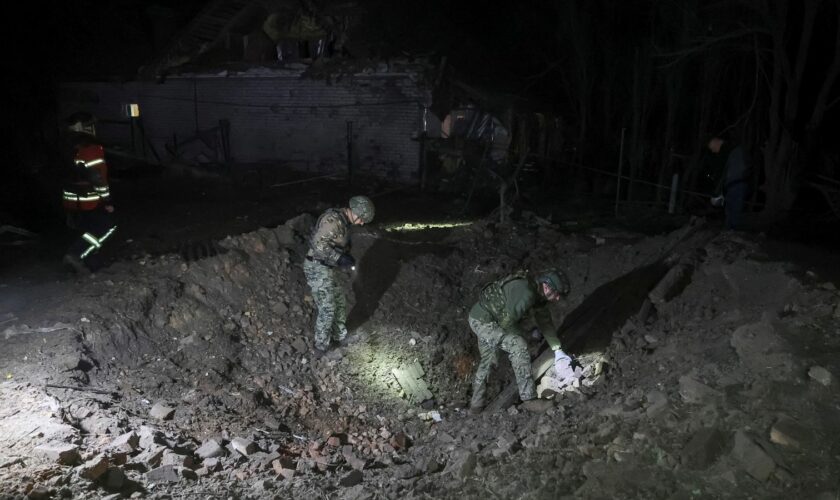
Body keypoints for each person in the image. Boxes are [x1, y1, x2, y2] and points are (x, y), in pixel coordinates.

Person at [468, 268, 575, 413]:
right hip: (483, 320)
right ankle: (529, 399)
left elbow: (546, 324)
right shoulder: (526, 293)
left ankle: (476, 406)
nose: (557, 298)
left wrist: (557, 349)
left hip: (481, 317)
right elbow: (507, 324)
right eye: (556, 293)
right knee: (518, 345)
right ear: (546, 286)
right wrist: (527, 339)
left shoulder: (538, 297)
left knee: (490, 360)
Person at [303, 195, 375, 354]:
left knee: (339, 302)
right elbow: (317, 245)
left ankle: (339, 336)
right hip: (316, 267)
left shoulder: (343, 222)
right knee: (327, 307)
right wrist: (339, 258)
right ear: (354, 212)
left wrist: (343, 256)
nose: (362, 223)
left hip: (326, 267)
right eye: (361, 219)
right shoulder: (333, 221)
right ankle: (320, 347)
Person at [61, 112, 116, 274]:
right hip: (89, 199)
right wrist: (107, 200)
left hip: (72, 199)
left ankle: (92, 264)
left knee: (89, 229)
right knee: (106, 227)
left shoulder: (68, 146)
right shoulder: (90, 148)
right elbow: (97, 176)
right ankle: (76, 254)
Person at [706, 137, 751, 230]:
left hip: (737, 183)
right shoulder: (734, 150)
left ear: (717, 142)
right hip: (736, 183)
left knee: (734, 210)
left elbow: (721, 172)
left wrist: (716, 193)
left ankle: (732, 232)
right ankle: (729, 231)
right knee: (731, 210)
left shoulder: (726, 151)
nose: (714, 151)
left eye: (713, 148)